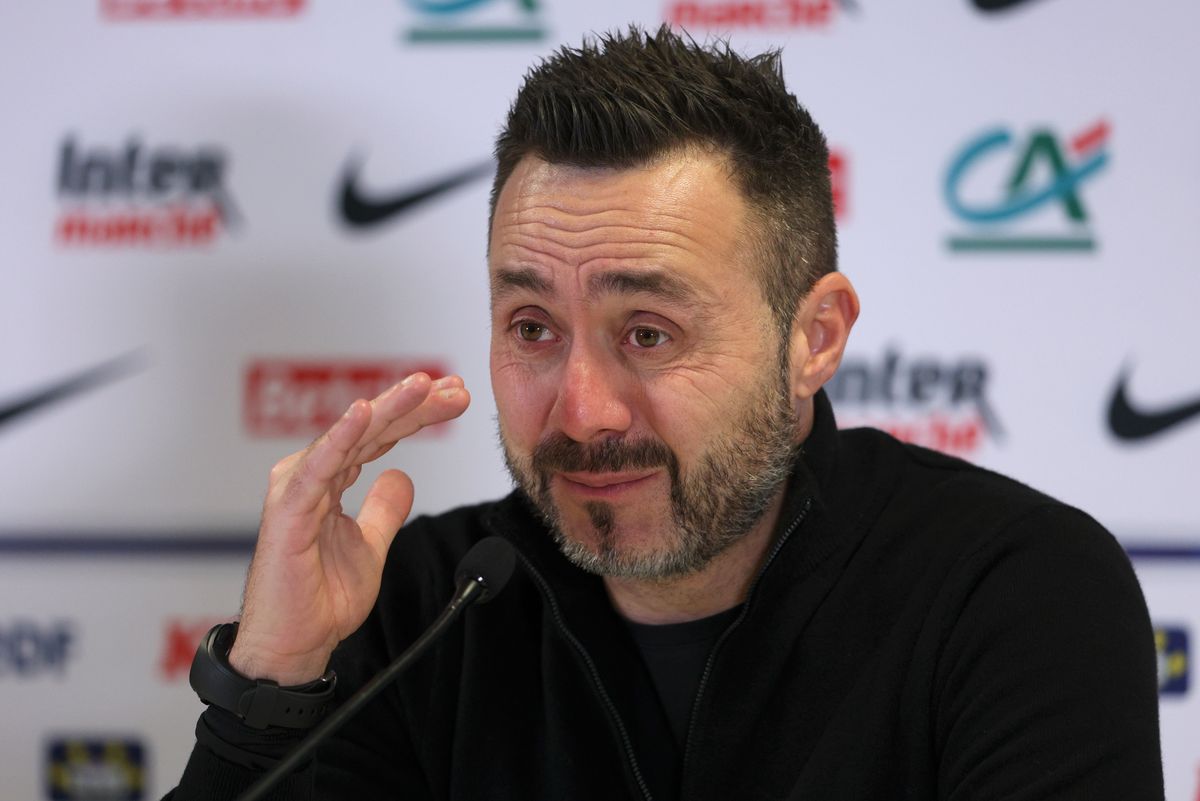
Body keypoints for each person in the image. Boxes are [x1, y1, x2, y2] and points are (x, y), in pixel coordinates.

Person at [167, 25, 1163, 801]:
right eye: (531, 328)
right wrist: (276, 681)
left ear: (813, 337)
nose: (583, 410)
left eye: (648, 332)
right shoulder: (422, 607)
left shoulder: (1012, 593)